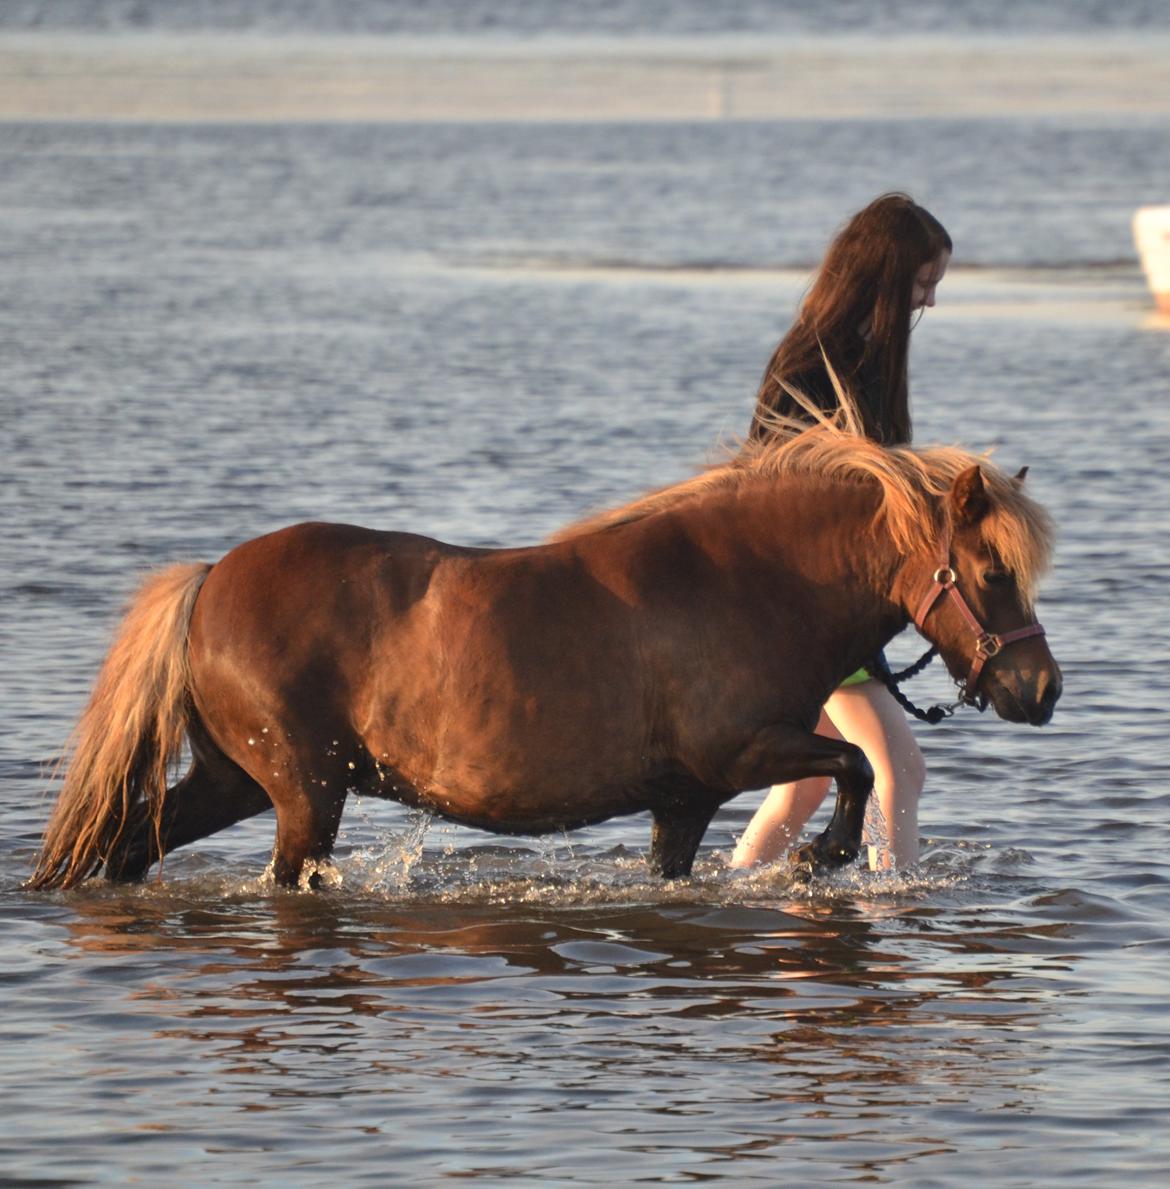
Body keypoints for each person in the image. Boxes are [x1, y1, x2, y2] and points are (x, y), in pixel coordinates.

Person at [729, 192, 951, 871]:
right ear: (883, 276)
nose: (929, 302)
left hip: (839, 610)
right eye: (921, 283)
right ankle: (897, 904)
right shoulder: (808, 367)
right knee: (900, 767)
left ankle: (730, 898)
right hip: (808, 607)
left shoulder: (864, 365)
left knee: (806, 788)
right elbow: (772, 498)